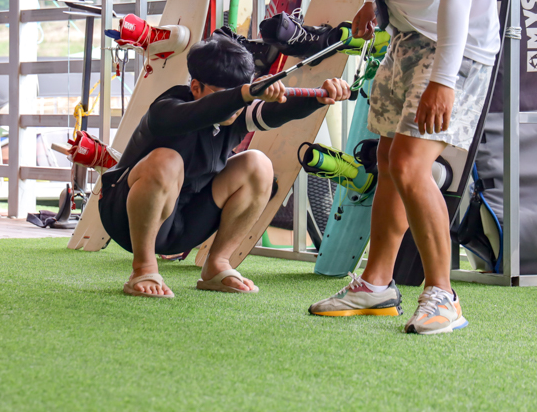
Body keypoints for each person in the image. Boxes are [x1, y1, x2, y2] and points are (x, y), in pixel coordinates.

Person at [306, 0, 499, 334]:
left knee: (414, 167)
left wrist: (444, 80)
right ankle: (376, 285)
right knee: (388, 159)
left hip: (454, 46)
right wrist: (379, 3)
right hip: (412, 34)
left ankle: (444, 296)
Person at [99, 33, 350, 298]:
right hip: (125, 220)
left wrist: (319, 97)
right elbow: (202, 112)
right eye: (226, 95)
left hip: (185, 225)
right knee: (167, 160)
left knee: (258, 164)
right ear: (195, 87)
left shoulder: (239, 111)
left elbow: (277, 111)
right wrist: (242, 94)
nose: (235, 109)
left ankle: (217, 265)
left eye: (239, 94)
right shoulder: (167, 109)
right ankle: (143, 267)